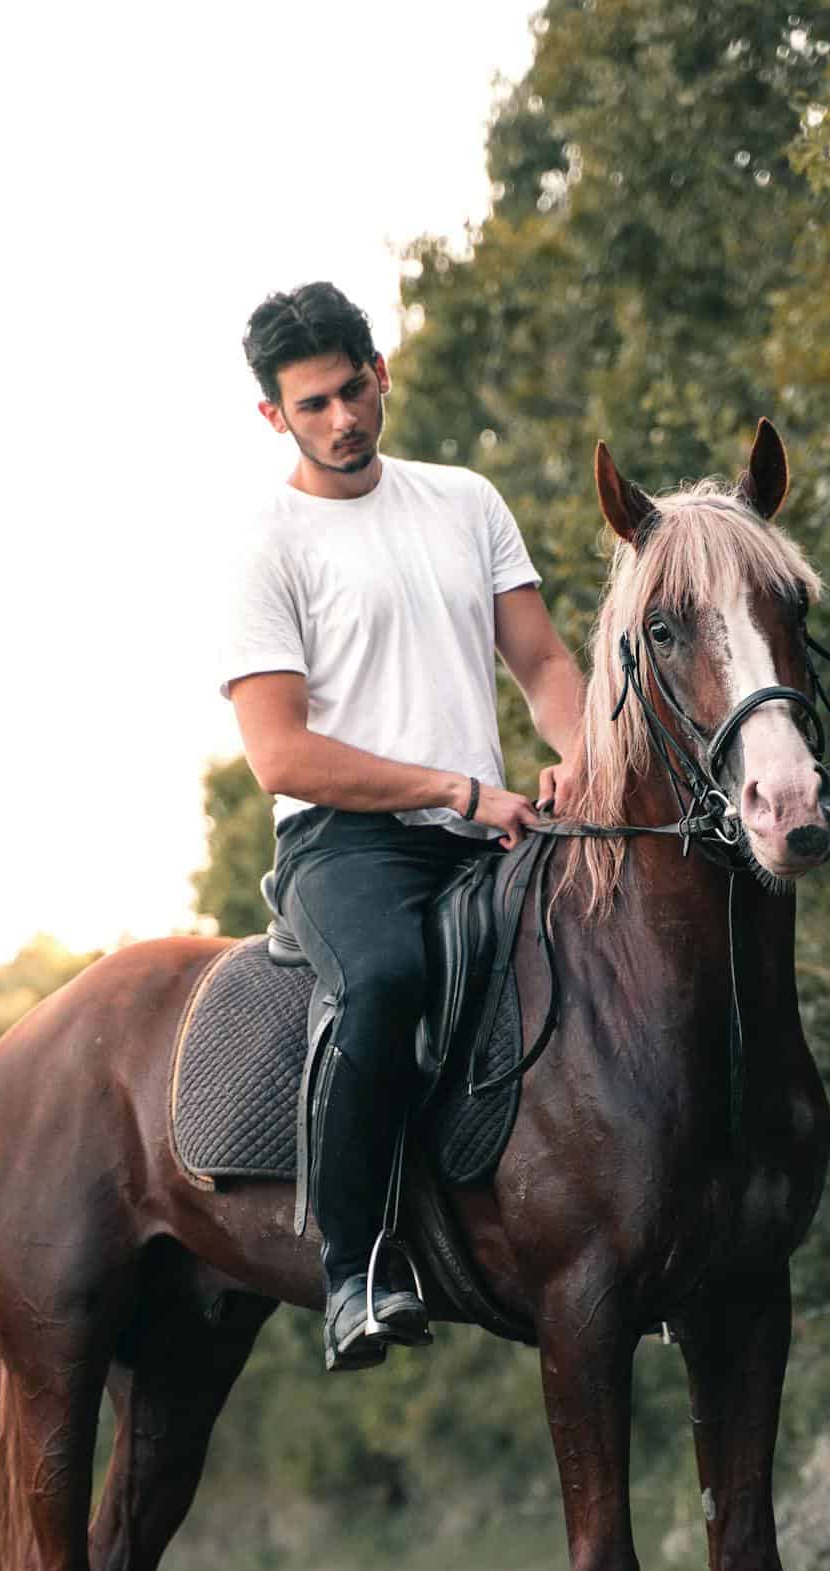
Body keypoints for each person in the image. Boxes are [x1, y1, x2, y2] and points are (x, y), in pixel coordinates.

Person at [220, 281, 585, 1371]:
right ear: (273, 417)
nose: (341, 419)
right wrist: (458, 789)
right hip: (347, 843)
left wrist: (576, 754)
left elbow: (545, 662)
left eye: (351, 391)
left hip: (489, 830)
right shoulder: (268, 544)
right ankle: (354, 1268)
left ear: (382, 374)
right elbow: (280, 753)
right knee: (383, 980)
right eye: (312, 404)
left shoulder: (464, 501)